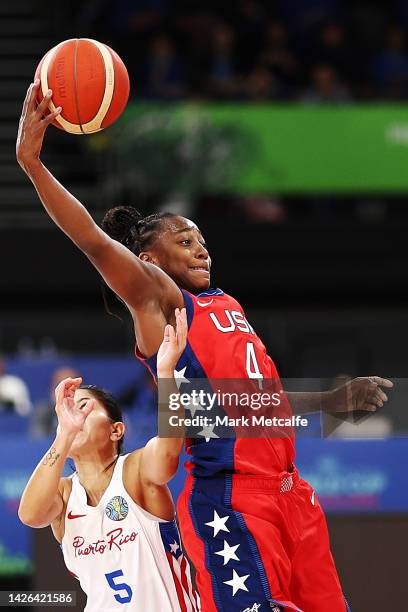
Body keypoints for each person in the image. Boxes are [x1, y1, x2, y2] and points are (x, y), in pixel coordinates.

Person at [17, 80, 393, 611]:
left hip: (292, 493)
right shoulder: (162, 302)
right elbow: (95, 243)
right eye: (184, 240)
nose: (202, 250)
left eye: (202, 239)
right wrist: (33, 164)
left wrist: (328, 403)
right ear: (149, 257)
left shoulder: (228, 306)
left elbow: (250, 403)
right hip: (232, 497)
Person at [19, 308, 199, 612]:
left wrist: (166, 374)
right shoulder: (64, 495)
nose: (75, 414)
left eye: (85, 406)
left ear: (116, 430)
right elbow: (31, 515)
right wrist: (64, 435)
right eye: (68, 410)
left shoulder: (134, 470)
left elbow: (169, 453)